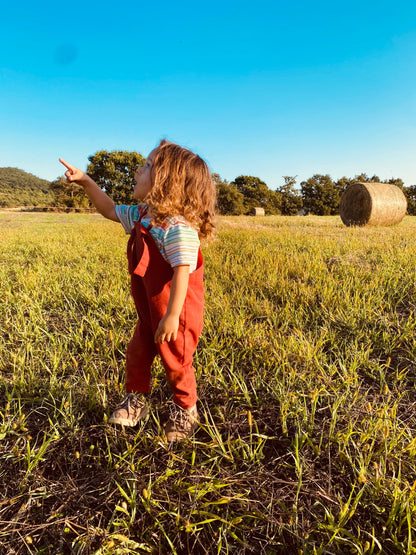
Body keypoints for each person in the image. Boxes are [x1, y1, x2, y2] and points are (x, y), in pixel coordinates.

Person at [59, 140, 215, 441]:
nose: (137, 169)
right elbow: (109, 210)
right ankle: (136, 401)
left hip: (176, 314)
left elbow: (183, 271)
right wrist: (87, 182)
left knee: (177, 362)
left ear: (164, 181)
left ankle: (185, 408)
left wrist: (171, 317)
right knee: (138, 352)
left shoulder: (177, 228)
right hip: (150, 309)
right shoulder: (144, 215)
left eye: (146, 166)